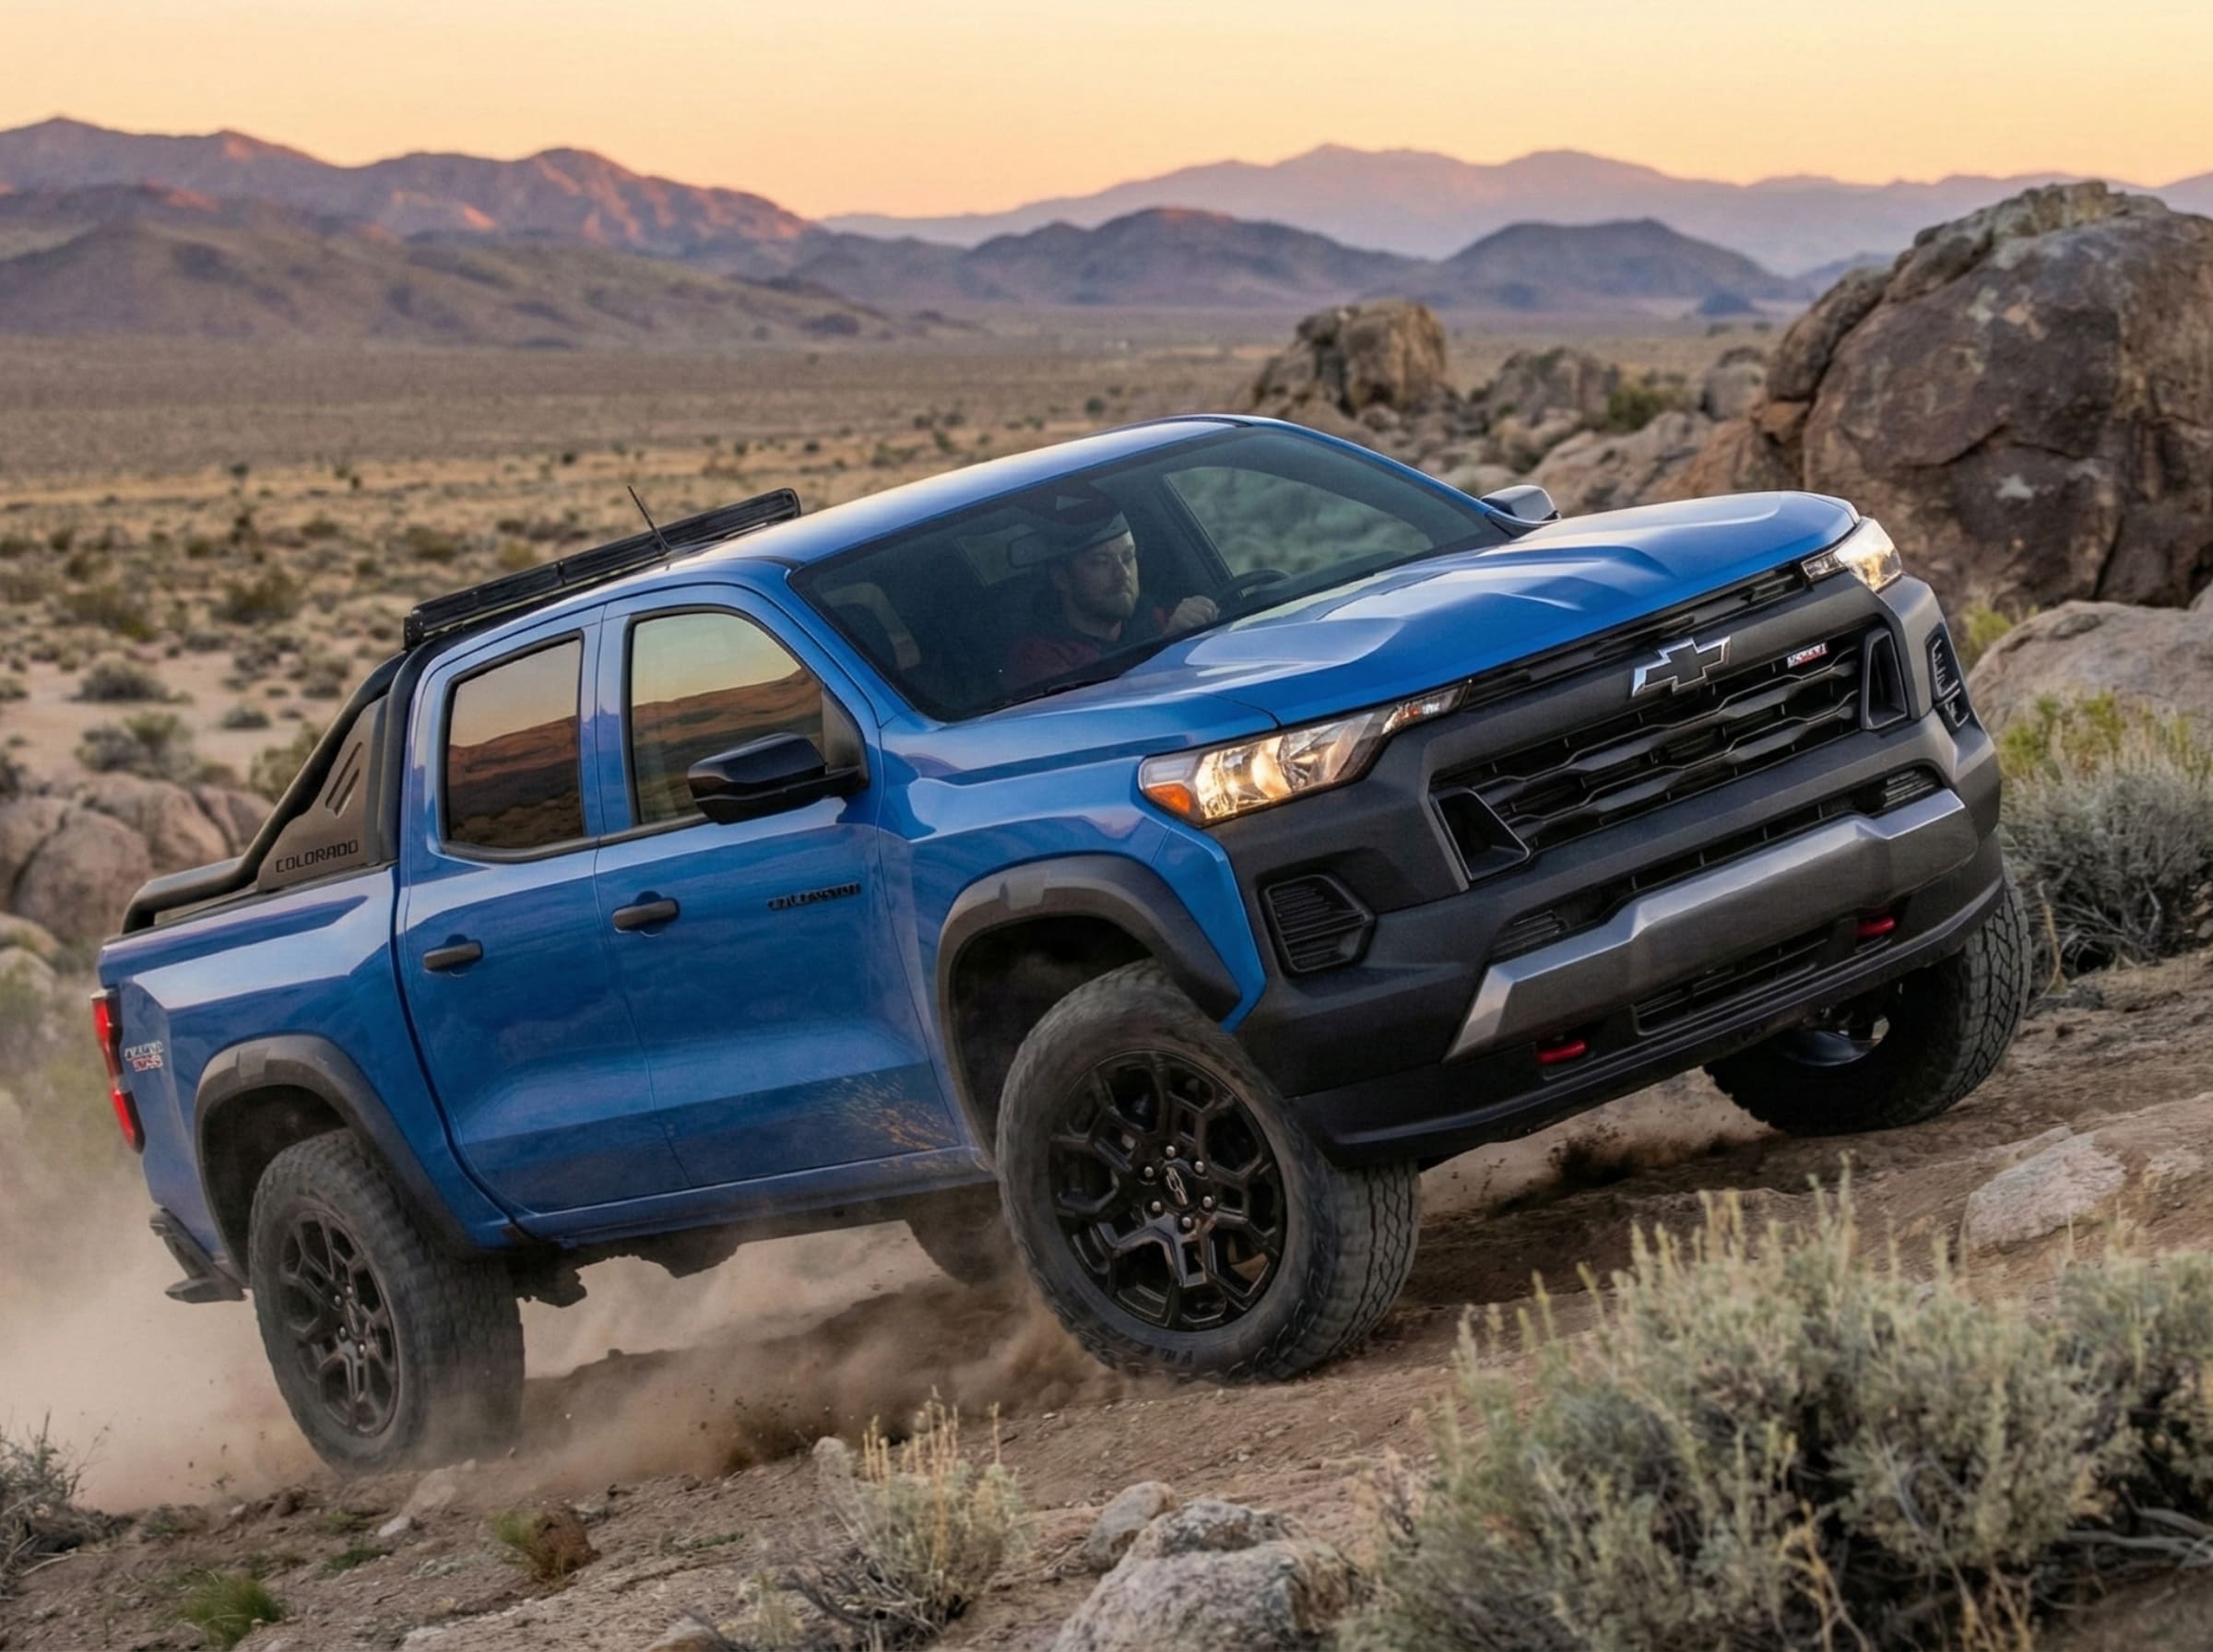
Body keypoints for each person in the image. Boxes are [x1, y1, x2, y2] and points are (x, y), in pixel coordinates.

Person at [1003, 506, 1216, 691]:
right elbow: (1097, 709)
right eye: (1101, 562)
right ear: (1061, 579)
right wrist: (1170, 645)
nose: (1123, 574)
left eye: (1128, 557)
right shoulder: (1038, 656)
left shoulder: (1162, 618)